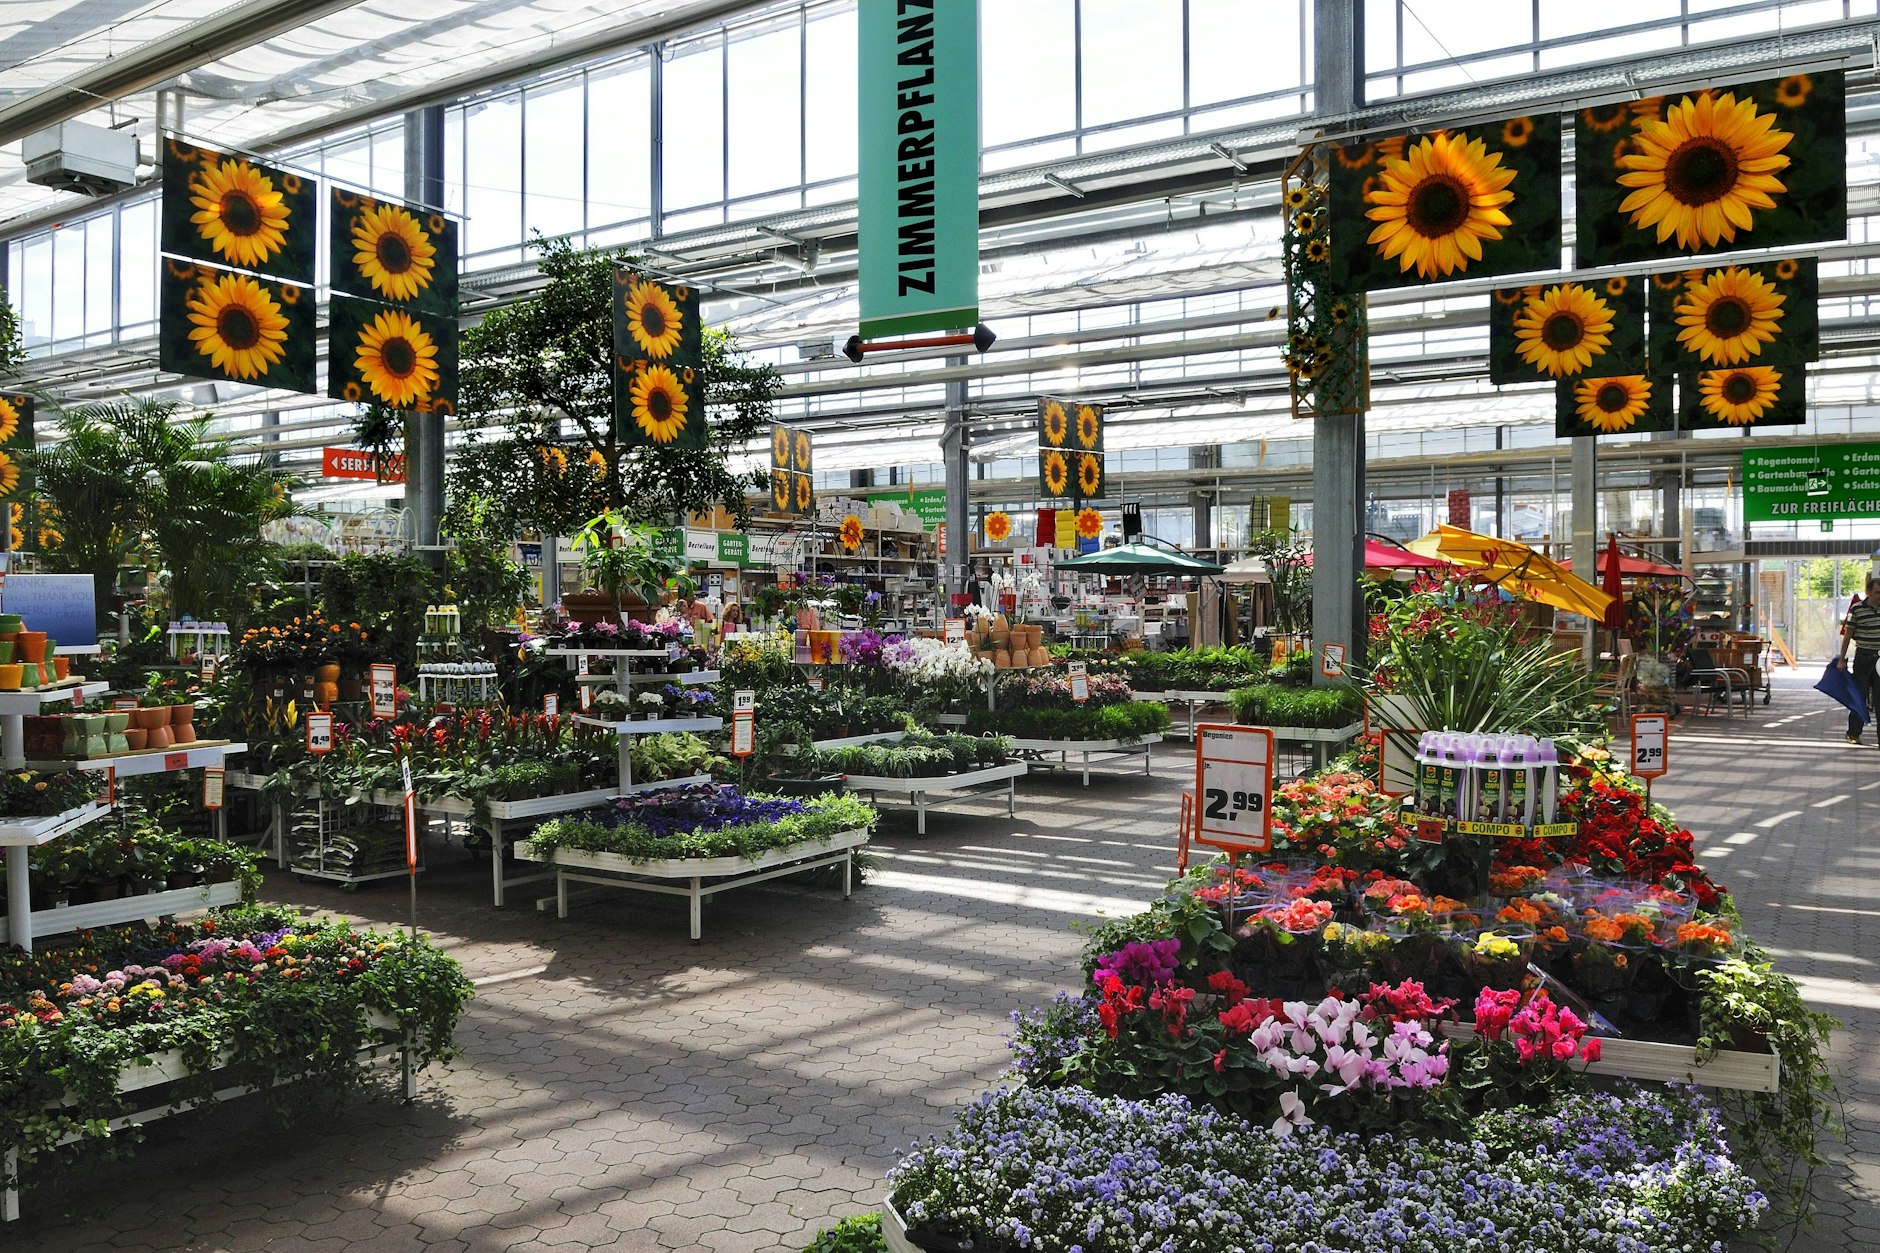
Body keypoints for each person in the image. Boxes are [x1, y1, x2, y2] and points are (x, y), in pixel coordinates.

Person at [1837, 575, 1880, 745]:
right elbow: (1848, 635)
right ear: (1868, 592)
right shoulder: (1857, 609)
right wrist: (1842, 659)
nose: (1879, 596)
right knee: (1859, 696)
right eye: (1877, 592)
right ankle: (1853, 733)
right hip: (1863, 658)